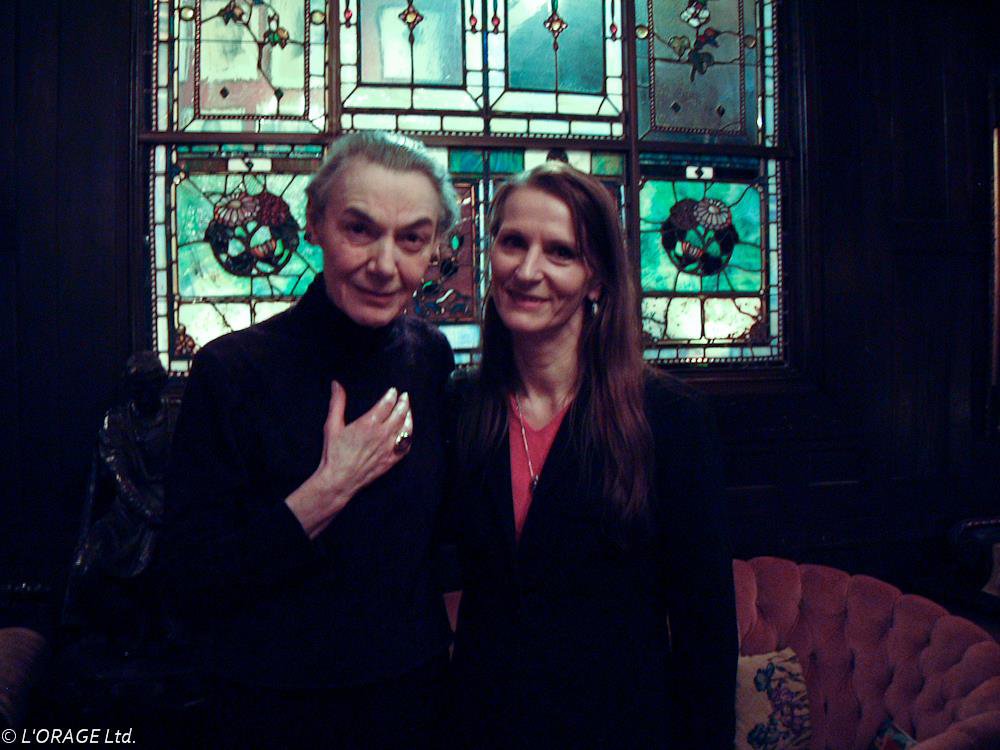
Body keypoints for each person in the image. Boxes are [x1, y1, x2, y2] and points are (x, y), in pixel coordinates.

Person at [160, 131, 459, 749]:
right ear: (315, 224)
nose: (384, 264)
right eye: (360, 229)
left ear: (435, 249)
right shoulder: (232, 371)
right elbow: (189, 577)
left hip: (412, 698)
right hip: (272, 707)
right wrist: (327, 489)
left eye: (411, 238)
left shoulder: (429, 357)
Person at [448, 162, 737, 748]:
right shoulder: (459, 404)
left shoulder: (670, 419)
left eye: (561, 252)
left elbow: (706, 634)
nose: (528, 270)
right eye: (513, 242)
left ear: (598, 280)